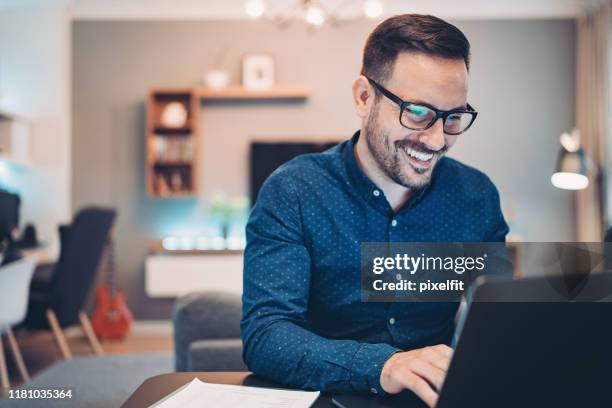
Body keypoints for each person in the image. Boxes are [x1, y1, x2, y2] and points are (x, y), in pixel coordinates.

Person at [241, 14, 508, 408]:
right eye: (418, 112)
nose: (437, 140)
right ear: (364, 98)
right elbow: (266, 335)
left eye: (453, 117)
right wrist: (383, 366)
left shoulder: (477, 197)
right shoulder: (293, 192)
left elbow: (493, 330)